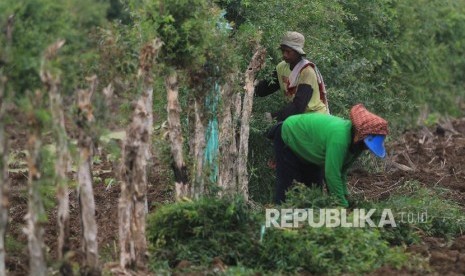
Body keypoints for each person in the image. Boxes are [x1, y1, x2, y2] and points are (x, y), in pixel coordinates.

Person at [273, 104, 389, 207]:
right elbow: (332, 174)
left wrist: (345, 197)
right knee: (288, 191)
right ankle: (278, 224)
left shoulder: (357, 145)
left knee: (314, 196)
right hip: (290, 135)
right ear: (361, 136)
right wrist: (342, 205)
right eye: (367, 145)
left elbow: (341, 172)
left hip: (311, 148)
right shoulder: (340, 139)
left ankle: (307, 226)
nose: (367, 149)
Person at [255, 31, 329, 122]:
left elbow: (298, 106)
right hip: (298, 118)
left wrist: (272, 117)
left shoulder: (307, 72)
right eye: (283, 51)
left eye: (288, 51)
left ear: (298, 52)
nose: (284, 55)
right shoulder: (281, 67)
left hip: (313, 117)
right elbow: (265, 88)